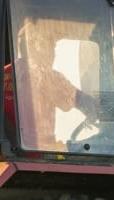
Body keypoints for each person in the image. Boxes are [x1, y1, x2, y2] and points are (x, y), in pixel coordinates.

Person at [12, 18, 98, 150]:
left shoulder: (6, 73)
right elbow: (80, 101)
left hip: (14, 151)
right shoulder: (45, 76)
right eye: (50, 46)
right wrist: (101, 109)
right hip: (38, 152)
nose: (54, 54)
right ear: (36, 46)